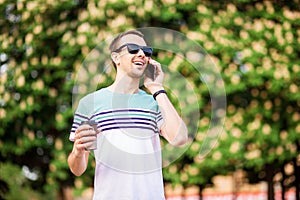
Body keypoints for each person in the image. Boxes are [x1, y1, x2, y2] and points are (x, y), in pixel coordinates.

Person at [67, 30, 188, 200]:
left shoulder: (154, 103)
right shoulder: (90, 103)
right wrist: (78, 152)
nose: (141, 54)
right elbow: (77, 169)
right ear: (116, 57)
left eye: (146, 51)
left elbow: (180, 138)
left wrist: (156, 88)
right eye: (133, 48)